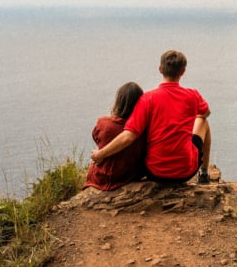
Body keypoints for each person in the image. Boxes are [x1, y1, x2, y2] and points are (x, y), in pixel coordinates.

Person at [91, 50, 212, 184]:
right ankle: (204, 174)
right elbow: (205, 113)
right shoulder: (192, 95)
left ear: (160, 69)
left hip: (155, 172)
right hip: (185, 171)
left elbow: (128, 136)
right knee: (203, 121)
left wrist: (100, 154)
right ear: (183, 71)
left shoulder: (148, 99)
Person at [83, 81, 147, 191]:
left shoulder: (103, 123)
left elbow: (97, 138)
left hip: (104, 177)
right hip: (131, 174)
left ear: (119, 101)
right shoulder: (143, 126)